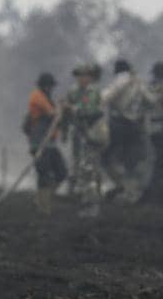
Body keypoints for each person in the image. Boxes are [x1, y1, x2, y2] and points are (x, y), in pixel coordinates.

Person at [101, 59, 148, 202]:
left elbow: (105, 98)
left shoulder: (120, 80)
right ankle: (131, 192)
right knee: (130, 160)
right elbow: (150, 100)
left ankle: (120, 185)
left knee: (106, 157)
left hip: (119, 124)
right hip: (136, 126)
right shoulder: (139, 82)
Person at [63, 64, 105, 217]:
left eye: (84, 75)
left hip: (91, 134)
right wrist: (64, 128)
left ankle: (92, 204)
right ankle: (77, 196)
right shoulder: (73, 91)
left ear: (90, 77)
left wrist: (72, 108)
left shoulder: (93, 91)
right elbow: (66, 112)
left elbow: (91, 110)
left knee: (90, 168)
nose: (81, 78)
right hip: (77, 133)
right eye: (79, 75)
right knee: (76, 164)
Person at [25, 72, 66, 214]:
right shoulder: (37, 97)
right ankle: (43, 207)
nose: (51, 88)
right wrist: (61, 108)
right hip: (39, 142)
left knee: (62, 172)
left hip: (50, 143)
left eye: (51, 86)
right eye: (49, 85)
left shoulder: (47, 98)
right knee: (44, 174)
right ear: (43, 85)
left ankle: (41, 198)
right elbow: (52, 114)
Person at [143, 61, 163, 201]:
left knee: (161, 155)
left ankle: (159, 185)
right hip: (161, 122)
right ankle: (160, 185)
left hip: (155, 123)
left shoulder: (150, 87)